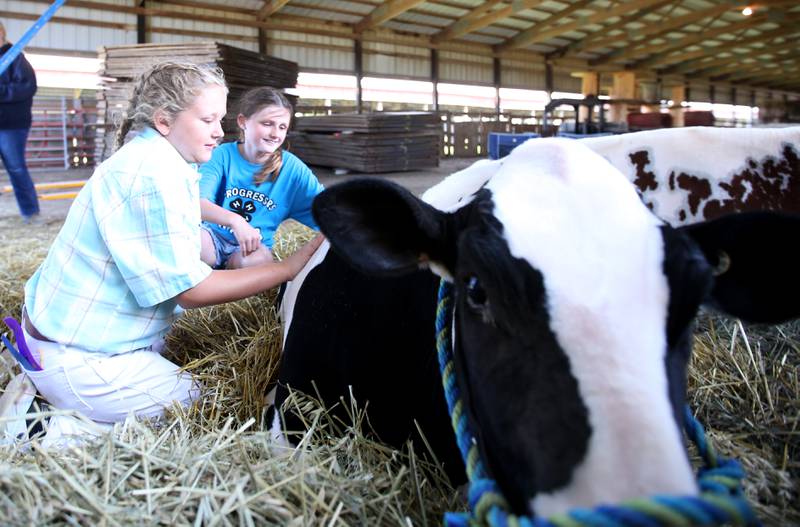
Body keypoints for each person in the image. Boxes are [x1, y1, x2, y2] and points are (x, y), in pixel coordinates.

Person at [18, 62, 323, 434]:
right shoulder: (153, 176)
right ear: (165, 122)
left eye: (220, 120)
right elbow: (191, 291)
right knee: (210, 403)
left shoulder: (158, 159)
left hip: (58, 332)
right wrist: (286, 269)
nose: (218, 132)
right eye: (208, 120)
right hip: (79, 360)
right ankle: (61, 429)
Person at [199, 87, 323, 269]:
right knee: (189, 243)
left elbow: (325, 208)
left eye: (282, 127)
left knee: (256, 263)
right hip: (213, 236)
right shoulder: (221, 155)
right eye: (267, 124)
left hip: (253, 248)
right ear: (243, 122)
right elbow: (198, 203)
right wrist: (236, 221)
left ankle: (226, 279)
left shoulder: (292, 169)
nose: (275, 134)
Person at [0, 21, 40, 223]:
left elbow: (28, 87)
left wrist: (2, 91)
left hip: (11, 125)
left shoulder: (14, 57)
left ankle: (31, 213)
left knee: (16, 168)